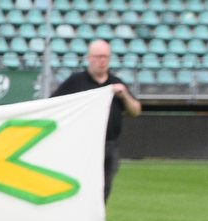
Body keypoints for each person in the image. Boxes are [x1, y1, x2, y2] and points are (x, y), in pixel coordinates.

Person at [52, 38, 141, 200]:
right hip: (83, 145)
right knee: (82, 189)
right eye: (98, 57)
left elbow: (135, 111)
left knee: (105, 189)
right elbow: (54, 103)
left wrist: (124, 96)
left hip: (110, 145)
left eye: (105, 57)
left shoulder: (115, 82)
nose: (102, 61)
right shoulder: (76, 81)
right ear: (89, 58)